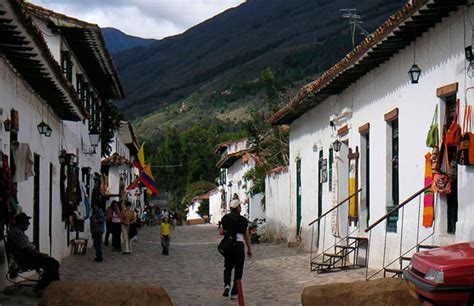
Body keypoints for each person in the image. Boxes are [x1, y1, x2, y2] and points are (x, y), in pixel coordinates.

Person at [7, 213, 60, 292]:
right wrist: (42, 254)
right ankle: (43, 286)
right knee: (53, 263)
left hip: (27, 257)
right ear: (21, 223)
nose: (28, 224)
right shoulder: (17, 233)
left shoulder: (17, 231)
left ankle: (52, 285)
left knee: (52, 263)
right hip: (25, 259)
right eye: (27, 222)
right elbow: (28, 250)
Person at [219, 199, 252, 299]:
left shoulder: (225, 218)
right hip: (239, 246)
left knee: (228, 267)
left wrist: (227, 232)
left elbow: (221, 232)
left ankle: (227, 285)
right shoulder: (243, 220)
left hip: (229, 246)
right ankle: (234, 292)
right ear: (238, 208)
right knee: (238, 269)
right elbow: (246, 235)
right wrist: (249, 248)